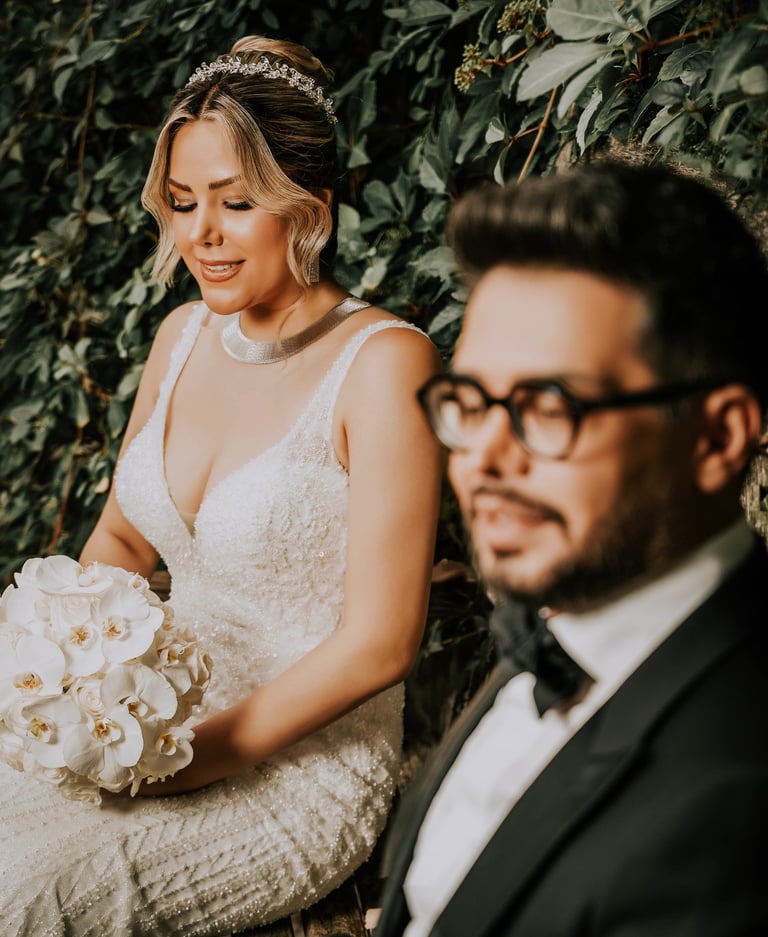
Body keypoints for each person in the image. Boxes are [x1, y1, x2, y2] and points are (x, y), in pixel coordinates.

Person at [0, 35, 442, 936]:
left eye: (237, 203)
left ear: (311, 206)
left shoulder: (386, 365)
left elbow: (382, 642)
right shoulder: (181, 337)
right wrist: (79, 682)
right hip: (144, 728)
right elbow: (120, 543)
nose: (201, 233)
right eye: (184, 201)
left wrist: (201, 754)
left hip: (293, 771)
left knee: (27, 897)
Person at [373, 159, 768, 937]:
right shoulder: (571, 612)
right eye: (472, 401)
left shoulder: (738, 806)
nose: (483, 456)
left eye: (547, 406)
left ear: (718, 436)